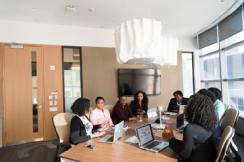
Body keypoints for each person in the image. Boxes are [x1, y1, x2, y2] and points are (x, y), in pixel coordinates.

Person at [163, 94, 217, 162]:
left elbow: (183, 155)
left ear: (194, 109)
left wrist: (170, 138)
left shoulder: (190, 129)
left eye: (188, 105)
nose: (185, 107)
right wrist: (172, 137)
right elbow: (187, 146)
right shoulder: (208, 125)